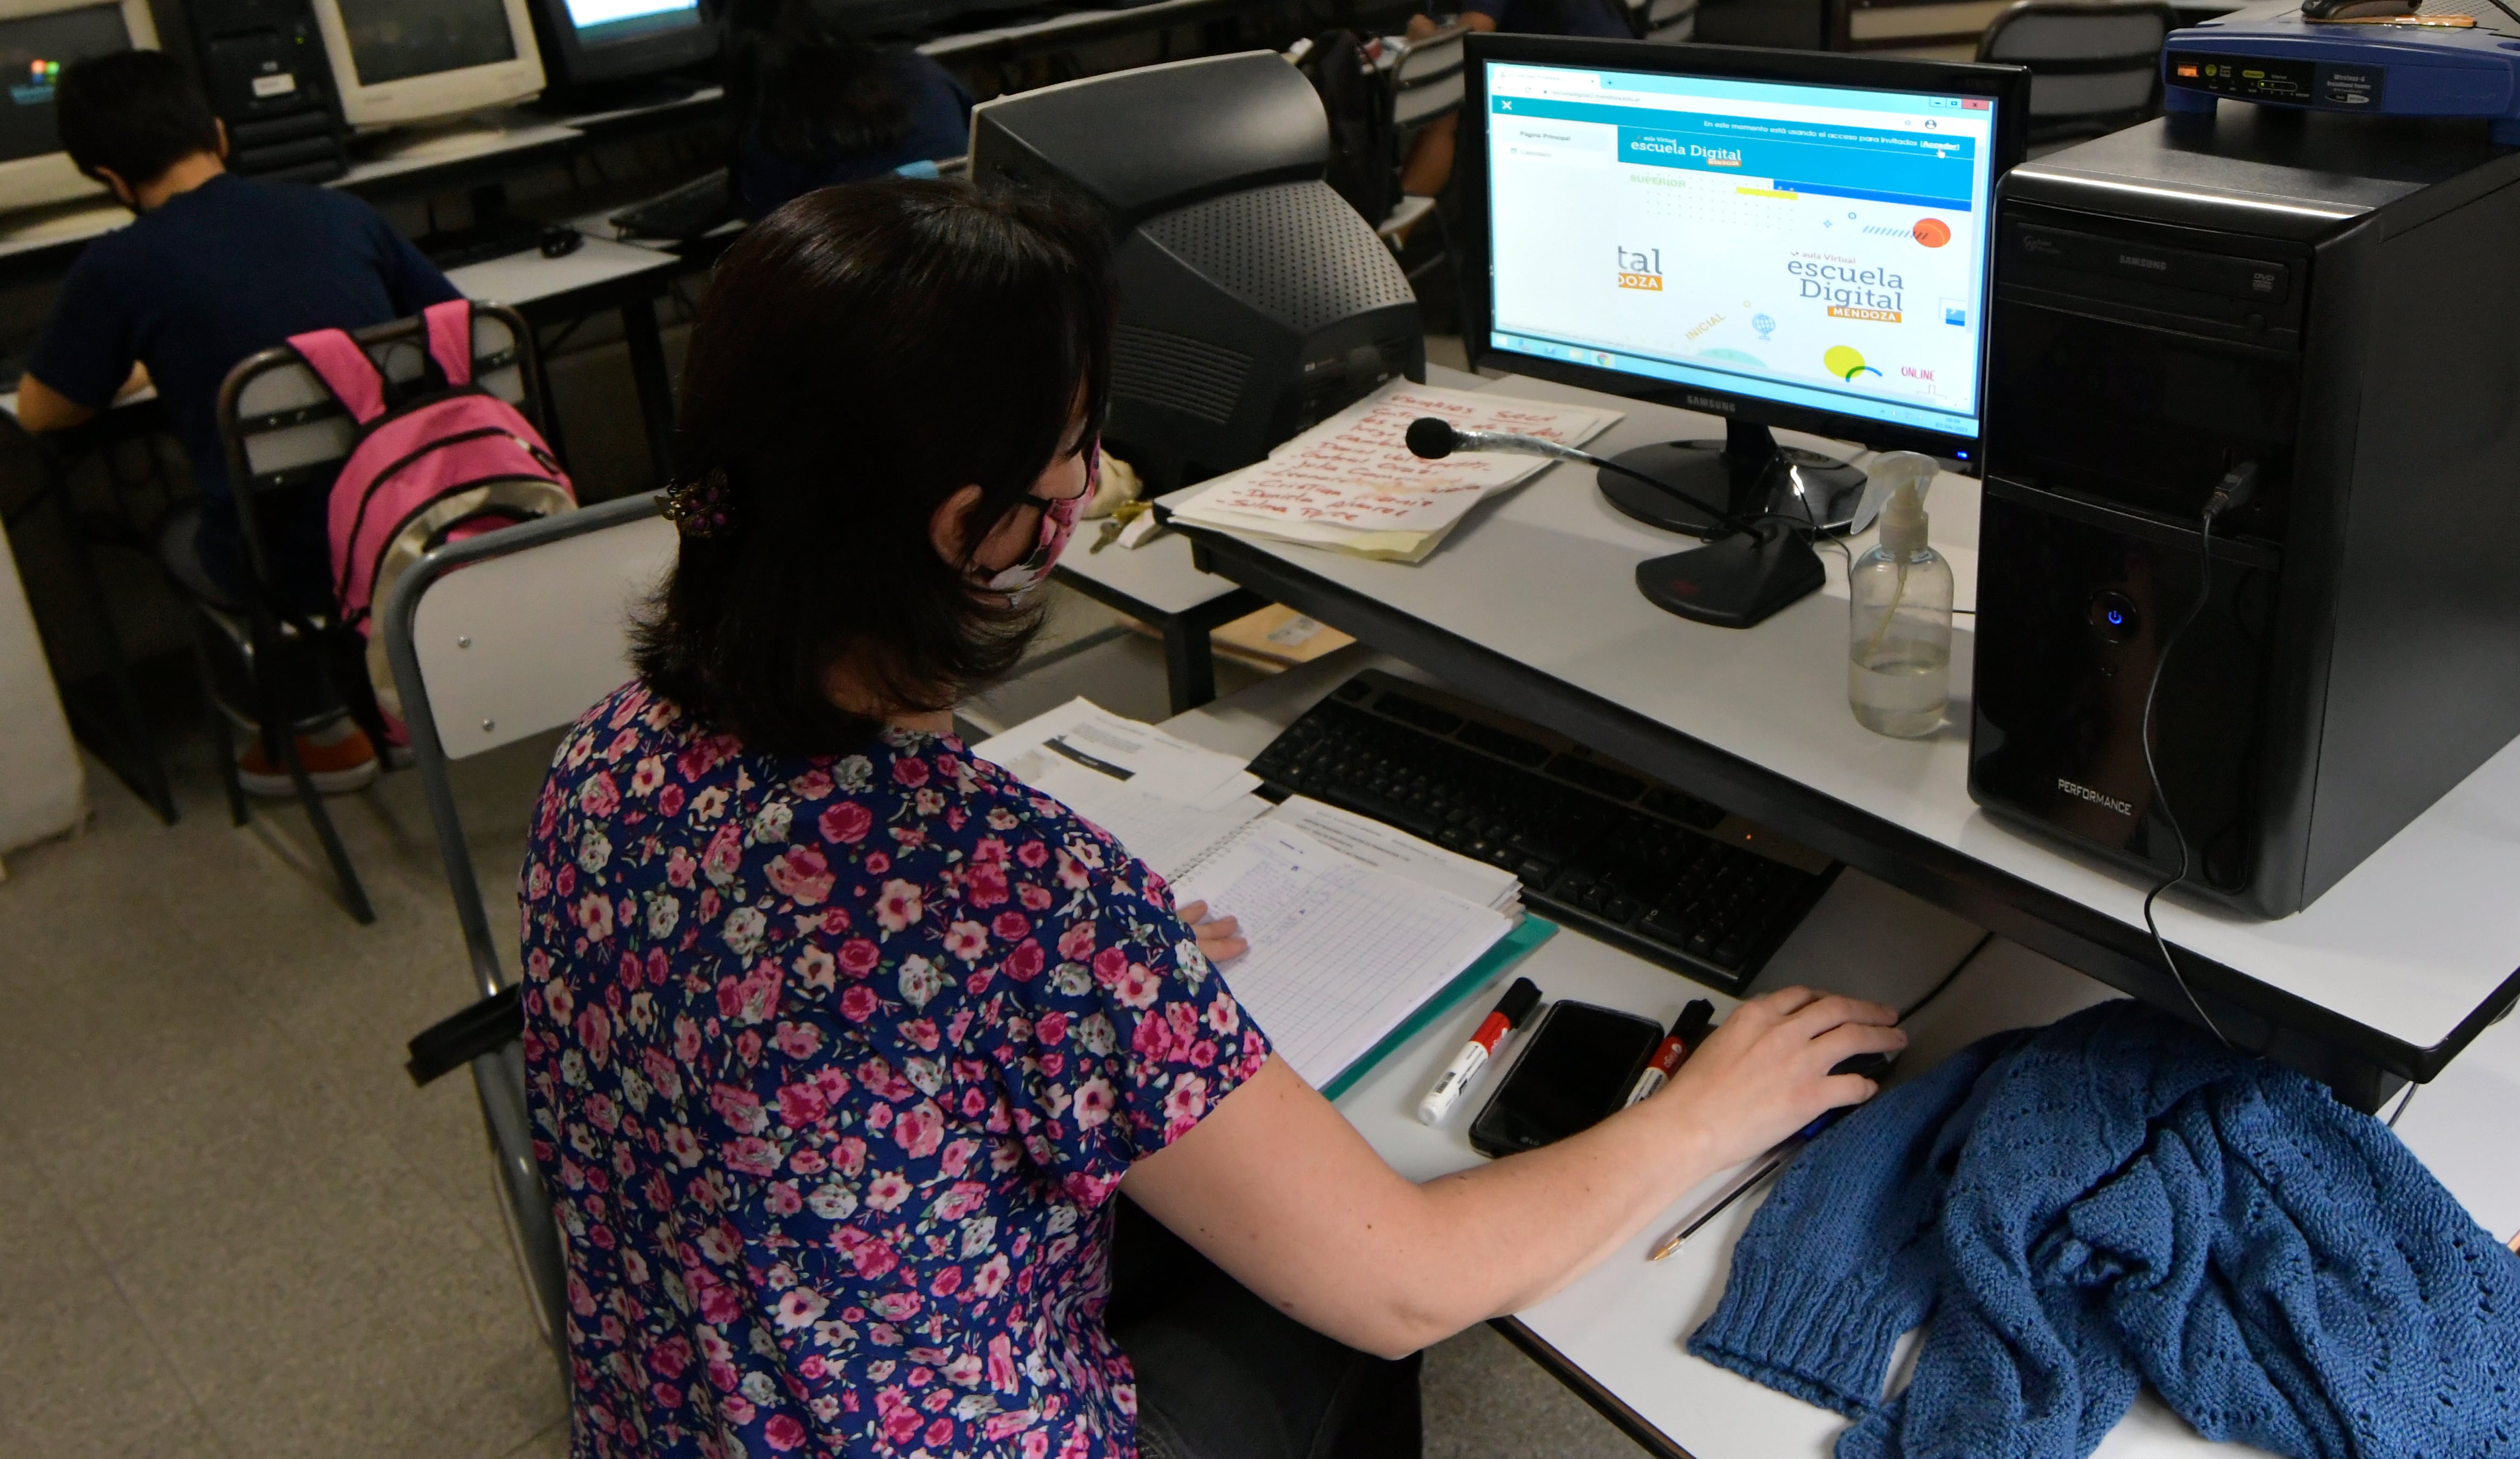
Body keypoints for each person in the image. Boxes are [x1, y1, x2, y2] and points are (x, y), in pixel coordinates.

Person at [521, 175, 1904, 1459]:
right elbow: (1401, 1282)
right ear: (964, 526)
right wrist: (1705, 1113)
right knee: (1340, 1300)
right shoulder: (1004, 885)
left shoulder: (609, 754)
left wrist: (1070, 997)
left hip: (687, 1414)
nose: (1090, 478)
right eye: (1071, 451)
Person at [15, 49, 461, 794]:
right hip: (409, 519)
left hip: (289, 563)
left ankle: (321, 734)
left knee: (176, 526)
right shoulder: (341, 212)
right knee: (323, 491)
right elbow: (454, 327)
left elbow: (41, 409)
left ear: (107, 178)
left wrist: (150, 361)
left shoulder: (118, 266)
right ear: (220, 136)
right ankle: (404, 702)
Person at [1398, 0, 1636, 197]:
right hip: (1624, 96)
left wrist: (1428, 34)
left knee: (1446, 101)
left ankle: (1393, 232)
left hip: (1583, 104)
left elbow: (1470, 42)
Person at [722, 0, 974, 223]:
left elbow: (771, 236)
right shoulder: (917, 68)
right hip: (970, 235)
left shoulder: (770, 133)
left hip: (871, 256)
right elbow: (975, 135)